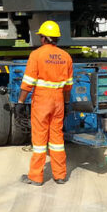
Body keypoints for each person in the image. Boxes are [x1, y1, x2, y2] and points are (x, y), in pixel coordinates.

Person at [18, 20, 74, 186]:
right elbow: (68, 85)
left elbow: (28, 82)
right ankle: (60, 175)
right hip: (58, 100)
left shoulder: (37, 55)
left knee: (40, 140)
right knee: (57, 139)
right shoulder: (66, 57)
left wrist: (21, 102)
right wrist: (66, 103)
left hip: (42, 101)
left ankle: (36, 177)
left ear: (44, 38)